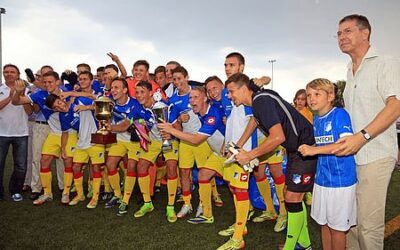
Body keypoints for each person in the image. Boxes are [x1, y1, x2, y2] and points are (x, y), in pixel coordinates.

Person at [332, 14, 400, 250]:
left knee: (369, 226)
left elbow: (395, 105)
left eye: (348, 31)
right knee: (350, 223)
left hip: (376, 153)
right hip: (352, 157)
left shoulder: (386, 62)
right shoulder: (349, 69)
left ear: (365, 33)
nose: (342, 37)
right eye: (339, 33)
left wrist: (362, 137)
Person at [227, 73, 316, 250]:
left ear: (244, 89)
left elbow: (277, 136)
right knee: (291, 195)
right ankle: (304, 244)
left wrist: (250, 154)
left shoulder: (261, 101)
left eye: (231, 91)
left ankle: (292, 246)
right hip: (296, 150)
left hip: (305, 149)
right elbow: (255, 121)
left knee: (291, 197)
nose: (229, 96)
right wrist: (239, 145)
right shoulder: (258, 101)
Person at [298, 78, 357, 250]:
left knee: (337, 229)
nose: (311, 99)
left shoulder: (339, 114)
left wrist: (313, 150)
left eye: (317, 94)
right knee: (323, 224)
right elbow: (323, 145)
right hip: (322, 180)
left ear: (330, 96)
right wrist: (310, 148)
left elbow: (345, 144)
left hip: (340, 182)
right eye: (309, 95)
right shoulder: (317, 119)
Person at [12, 71, 77, 205]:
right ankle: (47, 193)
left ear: (58, 81)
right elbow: (16, 102)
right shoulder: (39, 95)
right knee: (44, 160)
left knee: (67, 162)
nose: (47, 85)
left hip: (69, 133)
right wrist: (18, 92)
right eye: (45, 82)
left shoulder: (67, 91)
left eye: (50, 82)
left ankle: (66, 192)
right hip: (54, 133)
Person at [168, 66, 212, 219]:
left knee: (203, 173)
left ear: (187, 77)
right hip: (185, 140)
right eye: (174, 79)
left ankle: (203, 202)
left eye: (180, 78)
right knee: (184, 172)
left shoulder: (198, 92)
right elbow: (174, 125)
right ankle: (187, 203)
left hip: (202, 139)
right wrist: (180, 120)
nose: (177, 82)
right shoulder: (173, 100)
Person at [133, 81, 179, 223]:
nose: (139, 95)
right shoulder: (139, 108)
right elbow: (138, 123)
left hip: (169, 139)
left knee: (171, 167)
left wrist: (171, 134)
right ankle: (147, 203)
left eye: (142, 92)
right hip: (154, 140)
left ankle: (170, 206)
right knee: (141, 167)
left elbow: (177, 125)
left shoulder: (162, 106)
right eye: (137, 92)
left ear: (150, 93)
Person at [0, 64, 32, 201]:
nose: (9, 74)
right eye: (6, 72)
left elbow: (30, 112)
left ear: (18, 74)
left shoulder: (27, 90)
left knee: (20, 165)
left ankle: (15, 190)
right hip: (1, 133)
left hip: (21, 132)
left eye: (12, 72)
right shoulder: (1, 89)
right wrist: (11, 96)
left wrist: (21, 94)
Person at [293, 89, 313, 206]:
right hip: (293, 146)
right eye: (298, 99)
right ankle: (299, 190)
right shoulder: (292, 111)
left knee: (305, 171)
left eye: (303, 99)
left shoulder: (308, 114)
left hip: (305, 145)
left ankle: (308, 192)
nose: (299, 102)